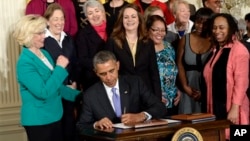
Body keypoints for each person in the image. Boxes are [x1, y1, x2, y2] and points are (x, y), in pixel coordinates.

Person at [13, 14, 80, 141]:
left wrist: (79, 96)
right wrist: (60, 68)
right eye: (39, 33)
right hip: (39, 121)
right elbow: (43, 92)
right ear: (28, 34)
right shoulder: (24, 63)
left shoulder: (44, 53)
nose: (44, 36)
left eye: (43, 32)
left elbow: (56, 86)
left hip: (55, 116)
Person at [76, 50, 167, 130]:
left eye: (111, 71)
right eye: (103, 74)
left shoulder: (135, 83)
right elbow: (82, 125)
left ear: (118, 65)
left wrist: (141, 116)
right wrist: (97, 124)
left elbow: (160, 108)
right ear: (96, 72)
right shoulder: (90, 95)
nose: (108, 77)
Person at [203, 13, 249, 139]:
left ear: (230, 28)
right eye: (215, 27)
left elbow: (241, 82)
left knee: (235, 137)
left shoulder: (239, 50)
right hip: (215, 107)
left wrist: (234, 109)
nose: (217, 31)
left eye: (222, 27)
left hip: (234, 110)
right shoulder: (216, 49)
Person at [105, 4, 162, 99]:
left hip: (146, 93)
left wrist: (157, 99)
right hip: (123, 94)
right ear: (121, 20)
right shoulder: (113, 42)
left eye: (133, 16)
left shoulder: (148, 42)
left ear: (139, 19)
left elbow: (154, 73)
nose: (129, 20)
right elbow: (109, 72)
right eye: (126, 17)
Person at [43, 3, 80, 141]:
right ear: (47, 21)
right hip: (52, 93)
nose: (60, 22)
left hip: (69, 92)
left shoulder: (69, 39)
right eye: (55, 19)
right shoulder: (43, 41)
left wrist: (75, 82)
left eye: (62, 19)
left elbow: (76, 64)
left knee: (69, 130)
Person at [176, 8, 214, 114]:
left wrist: (205, 92)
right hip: (187, 88)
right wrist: (185, 86)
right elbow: (179, 63)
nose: (200, 26)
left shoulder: (214, 41)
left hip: (207, 90)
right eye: (198, 22)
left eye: (205, 24)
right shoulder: (185, 38)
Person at [146, 15, 179, 116]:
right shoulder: (143, 49)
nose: (160, 33)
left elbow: (175, 69)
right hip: (153, 102)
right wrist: (155, 96)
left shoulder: (169, 47)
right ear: (147, 30)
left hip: (173, 101)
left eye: (163, 30)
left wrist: (178, 90)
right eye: (156, 30)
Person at [75, 0, 107, 90]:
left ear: (102, 11)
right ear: (86, 17)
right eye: (90, 13)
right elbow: (82, 59)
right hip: (93, 79)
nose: (94, 15)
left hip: (113, 77)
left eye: (97, 11)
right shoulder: (82, 34)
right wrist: (102, 67)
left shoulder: (112, 30)